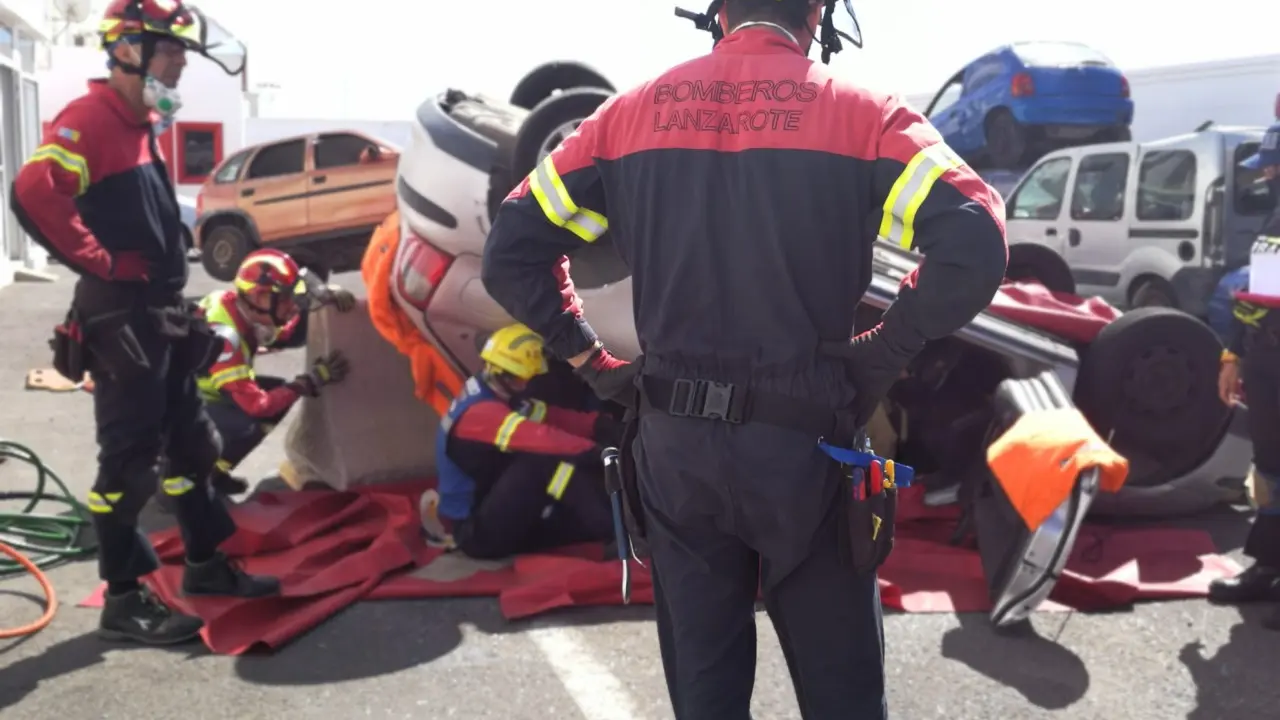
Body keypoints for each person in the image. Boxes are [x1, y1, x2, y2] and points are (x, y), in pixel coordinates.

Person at [479, 1, 1008, 716]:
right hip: (807, 448)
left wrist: (591, 361)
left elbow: (512, 253)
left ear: (719, 13)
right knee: (843, 696)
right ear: (817, 13)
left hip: (673, 450)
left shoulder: (625, 116)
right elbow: (975, 240)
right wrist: (882, 355)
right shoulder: (862, 114)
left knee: (706, 698)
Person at [9, 0, 274, 646]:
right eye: (169, 49)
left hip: (159, 316)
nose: (181, 60)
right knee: (127, 463)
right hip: (122, 318)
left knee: (192, 446)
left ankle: (206, 565)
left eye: (181, 50)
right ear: (128, 49)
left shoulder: (138, 122)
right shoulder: (91, 119)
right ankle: (123, 598)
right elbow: (35, 190)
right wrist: (99, 261)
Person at [423, 324, 619, 559]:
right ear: (500, 372)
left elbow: (551, 416)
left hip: (493, 505)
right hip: (476, 534)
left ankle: (619, 524)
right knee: (542, 463)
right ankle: (617, 534)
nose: (525, 386)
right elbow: (543, 438)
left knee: (574, 514)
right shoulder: (481, 413)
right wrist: (597, 453)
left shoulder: (494, 390)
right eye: (519, 380)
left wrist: (600, 424)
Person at [196, 249, 356, 497]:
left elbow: (286, 334)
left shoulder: (238, 307)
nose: (291, 305)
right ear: (258, 297)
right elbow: (257, 406)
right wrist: (309, 381)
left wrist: (324, 294)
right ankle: (196, 480)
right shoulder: (227, 339)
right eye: (283, 299)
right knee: (247, 425)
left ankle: (213, 474)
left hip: (205, 390)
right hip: (186, 404)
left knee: (277, 396)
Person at [1212, 122, 1280, 626]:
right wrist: (1234, 357)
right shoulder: (1274, 220)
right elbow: (1258, 298)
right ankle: (1269, 567)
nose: (1268, 175)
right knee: (1271, 468)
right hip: (1268, 363)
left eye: (1274, 166)